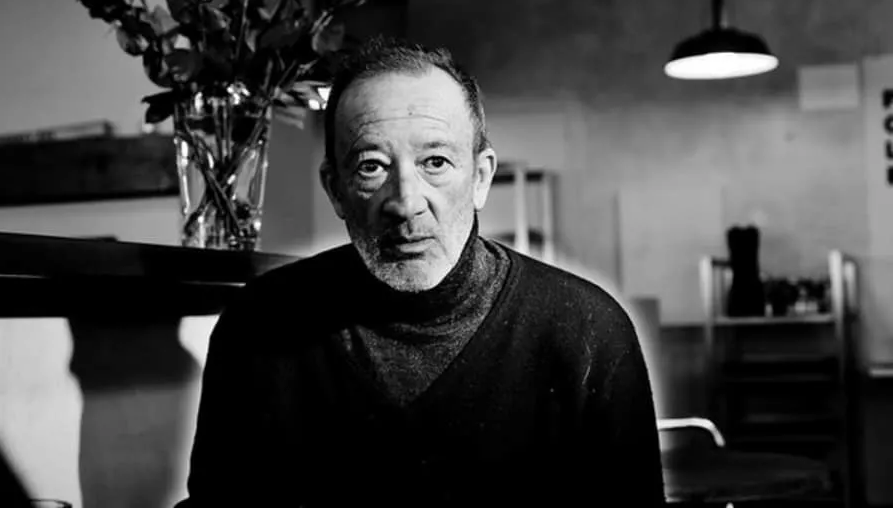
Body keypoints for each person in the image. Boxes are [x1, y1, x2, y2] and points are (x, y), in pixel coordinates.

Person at [176, 36, 665, 507]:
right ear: (335, 189)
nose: (406, 202)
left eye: (435, 162)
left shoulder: (584, 329)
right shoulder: (260, 324)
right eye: (371, 166)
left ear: (480, 178)